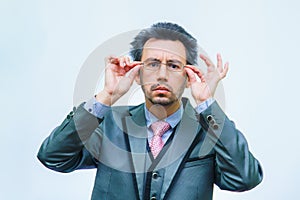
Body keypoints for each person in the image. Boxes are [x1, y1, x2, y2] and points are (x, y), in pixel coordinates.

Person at [37, 22, 263, 200]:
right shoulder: (109, 122)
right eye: (153, 64)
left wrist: (206, 103)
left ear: (188, 76)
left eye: (174, 65)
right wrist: (107, 96)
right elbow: (54, 157)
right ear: (137, 73)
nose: (162, 75)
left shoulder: (208, 130)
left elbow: (245, 178)